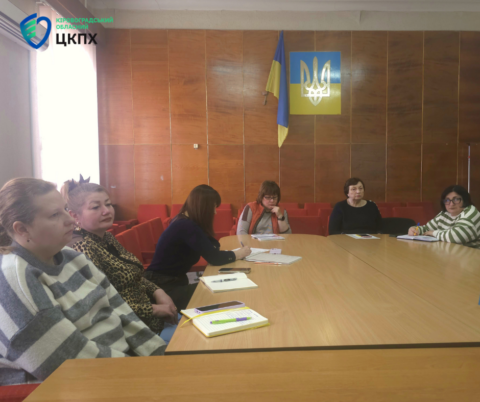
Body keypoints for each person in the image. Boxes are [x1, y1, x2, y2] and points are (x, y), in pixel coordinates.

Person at [0, 178, 165, 386]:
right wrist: (141, 375)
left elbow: (123, 313)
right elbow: (68, 362)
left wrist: (161, 359)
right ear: (22, 229)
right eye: (54, 215)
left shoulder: (73, 258)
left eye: (65, 209)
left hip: (120, 371)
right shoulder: (14, 280)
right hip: (78, 386)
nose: (70, 220)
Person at [63, 177, 178, 342]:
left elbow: (133, 273)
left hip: (152, 320)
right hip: (133, 332)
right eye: (96, 207)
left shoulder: (107, 237)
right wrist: (153, 309)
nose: (106, 211)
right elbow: (102, 304)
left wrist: (158, 291)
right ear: (74, 216)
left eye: (108, 204)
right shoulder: (82, 247)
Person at [145, 185, 251, 310]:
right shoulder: (186, 226)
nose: (215, 212)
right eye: (213, 207)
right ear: (203, 207)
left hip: (170, 282)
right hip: (163, 287)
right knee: (220, 291)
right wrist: (240, 253)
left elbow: (213, 246)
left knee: (221, 287)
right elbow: (215, 258)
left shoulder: (185, 221)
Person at [408, 185, 480, 248]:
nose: (451, 204)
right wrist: (416, 230)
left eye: (456, 199)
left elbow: (456, 236)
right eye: (447, 200)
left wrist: (433, 233)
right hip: (450, 253)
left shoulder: (471, 212)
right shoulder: (445, 213)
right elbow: (426, 229)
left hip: (471, 255)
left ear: (464, 200)